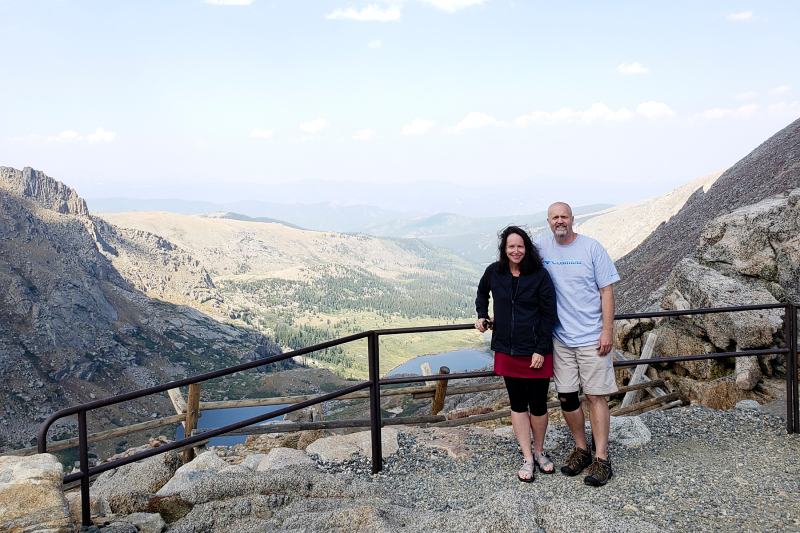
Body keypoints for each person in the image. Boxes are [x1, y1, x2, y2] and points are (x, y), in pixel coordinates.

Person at [536, 202, 620, 487]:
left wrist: (607, 330)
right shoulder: (541, 248)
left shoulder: (591, 248)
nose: (560, 221)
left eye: (564, 216)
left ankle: (601, 458)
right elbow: (519, 278)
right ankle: (581, 450)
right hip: (560, 338)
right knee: (567, 397)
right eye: (554, 217)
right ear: (548, 221)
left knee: (596, 396)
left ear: (573, 219)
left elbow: (606, 290)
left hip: (592, 337)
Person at [475, 226, 558, 482]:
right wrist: (481, 316)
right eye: (511, 246)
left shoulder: (540, 275)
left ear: (527, 248)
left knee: (539, 404)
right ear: (504, 249)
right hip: (507, 350)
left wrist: (541, 349)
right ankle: (528, 457)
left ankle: (540, 451)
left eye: (520, 246)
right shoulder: (494, 271)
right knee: (518, 404)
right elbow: (481, 293)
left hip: (535, 353)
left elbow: (549, 315)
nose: (516, 251)